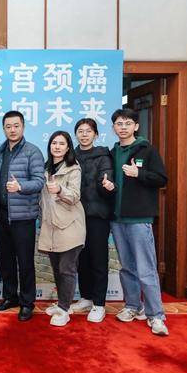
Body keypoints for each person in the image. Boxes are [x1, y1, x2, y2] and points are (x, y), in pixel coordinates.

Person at [109, 108, 169, 336]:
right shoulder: (112, 153)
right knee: (127, 267)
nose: (123, 127)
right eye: (119, 124)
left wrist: (139, 174)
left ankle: (156, 316)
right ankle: (133, 306)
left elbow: (162, 179)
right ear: (113, 128)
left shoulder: (148, 150)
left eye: (128, 123)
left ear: (136, 126)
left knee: (146, 269)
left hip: (139, 219)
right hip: (117, 219)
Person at [0, 111, 45, 321]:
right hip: (2, 214)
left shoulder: (33, 151)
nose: (12, 130)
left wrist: (20, 186)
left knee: (25, 261)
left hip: (23, 217)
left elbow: (39, 182)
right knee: (5, 259)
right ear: (3, 129)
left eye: (16, 126)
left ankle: (27, 302)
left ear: (23, 127)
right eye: (8, 126)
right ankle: (10, 297)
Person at [69, 118, 115, 322]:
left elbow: (107, 183)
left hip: (97, 216)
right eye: (80, 131)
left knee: (98, 259)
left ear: (96, 134)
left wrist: (108, 187)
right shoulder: (71, 156)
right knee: (82, 259)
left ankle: (99, 304)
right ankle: (86, 297)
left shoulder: (103, 156)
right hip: (75, 215)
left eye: (88, 131)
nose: (84, 134)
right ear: (75, 134)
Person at [38, 131, 86, 327]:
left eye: (61, 144)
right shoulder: (45, 168)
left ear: (68, 148)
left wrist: (60, 190)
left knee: (67, 270)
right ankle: (61, 304)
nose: (57, 147)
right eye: (54, 143)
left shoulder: (73, 168)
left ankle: (64, 310)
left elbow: (75, 195)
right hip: (50, 226)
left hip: (69, 226)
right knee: (57, 269)